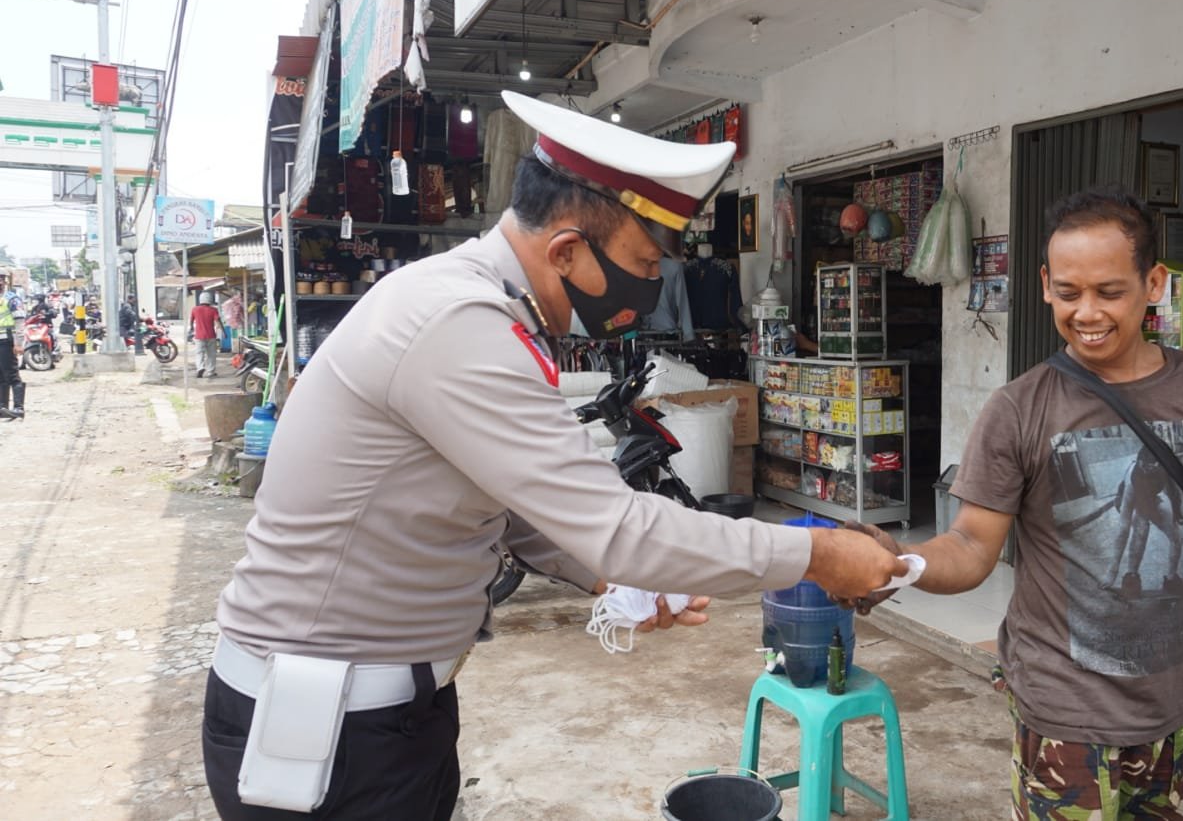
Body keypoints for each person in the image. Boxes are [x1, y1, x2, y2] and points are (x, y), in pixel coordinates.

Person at [201, 91, 905, 820]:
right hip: (324, 733)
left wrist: (604, 574)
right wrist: (816, 554)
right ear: (566, 249)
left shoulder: (481, 307)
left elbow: (505, 503)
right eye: (639, 263)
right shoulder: (458, 322)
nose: (650, 289)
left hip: (379, 715)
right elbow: (620, 526)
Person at [846, 186, 1183, 821]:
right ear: (1044, 284)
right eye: (1068, 293)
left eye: (1109, 292)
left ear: (1153, 282)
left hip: (1171, 704)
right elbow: (970, 545)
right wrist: (902, 562)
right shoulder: (1019, 408)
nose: (1087, 312)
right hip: (1065, 716)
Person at [0, 274, 22, 421]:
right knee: (1, 377)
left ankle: (19, 408)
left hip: (7, 342)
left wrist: (18, 343)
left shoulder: (11, 298)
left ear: (4, 282)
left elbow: (20, 321)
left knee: (12, 375)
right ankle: (3, 407)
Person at [189, 293, 221, 377]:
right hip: (211, 335)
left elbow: (191, 321)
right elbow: (217, 321)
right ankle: (211, 372)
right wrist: (221, 331)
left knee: (199, 353)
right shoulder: (213, 310)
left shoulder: (195, 309)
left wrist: (191, 328)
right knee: (211, 354)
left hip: (199, 336)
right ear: (210, 299)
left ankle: (200, 368)